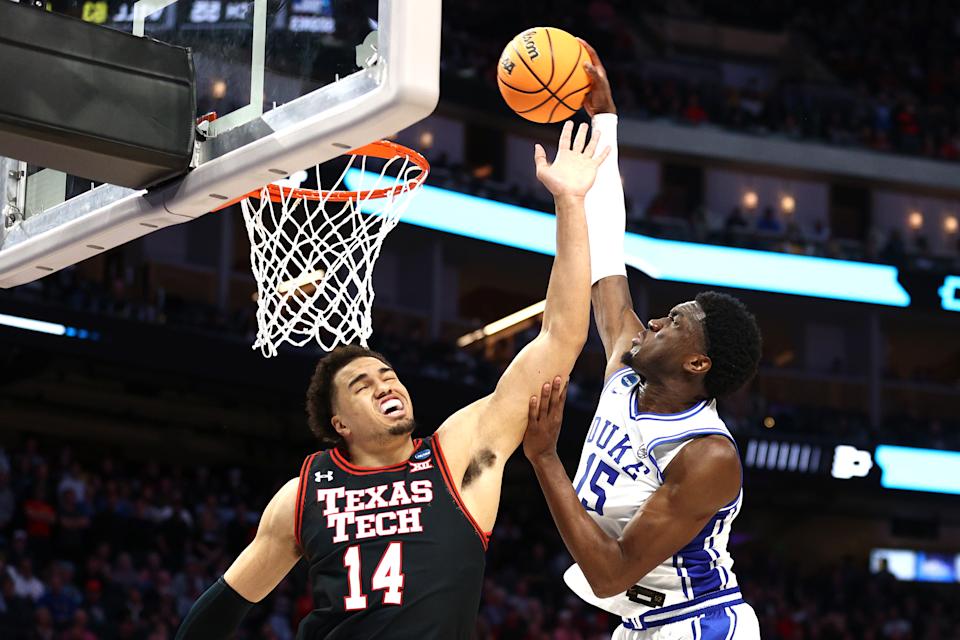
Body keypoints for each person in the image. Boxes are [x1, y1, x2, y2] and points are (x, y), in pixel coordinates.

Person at [174, 121, 610, 640]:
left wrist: (570, 202)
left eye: (388, 375)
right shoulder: (303, 495)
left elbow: (561, 337)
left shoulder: (459, 456)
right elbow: (222, 607)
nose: (386, 385)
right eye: (362, 385)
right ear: (340, 424)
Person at [520, 40, 763, 639]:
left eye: (674, 321)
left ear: (698, 360)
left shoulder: (707, 454)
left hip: (702, 625)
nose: (653, 321)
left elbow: (608, 574)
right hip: (643, 622)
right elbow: (608, 250)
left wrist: (545, 457)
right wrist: (604, 121)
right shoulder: (626, 365)